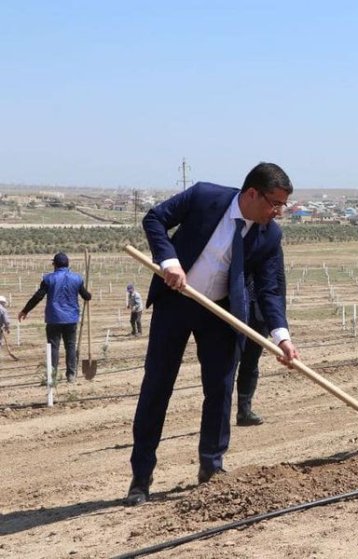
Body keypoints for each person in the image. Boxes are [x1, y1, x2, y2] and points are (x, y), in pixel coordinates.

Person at [125, 162, 300, 506]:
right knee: (157, 387)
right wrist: (169, 262)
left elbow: (269, 289)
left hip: (222, 313)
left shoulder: (270, 235)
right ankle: (141, 477)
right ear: (252, 193)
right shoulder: (205, 196)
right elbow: (154, 219)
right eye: (274, 203)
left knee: (220, 390)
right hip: (176, 302)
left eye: (282, 206)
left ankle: (211, 468)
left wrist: (281, 336)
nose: (278, 212)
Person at [18, 253, 92, 383]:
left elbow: (38, 297)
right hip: (71, 318)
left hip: (54, 318)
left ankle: (52, 376)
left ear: (54, 264)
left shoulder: (48, 279)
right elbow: (85, 296)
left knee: (53, 347)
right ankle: (71, 375)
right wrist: (89, 295)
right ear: (68, 264)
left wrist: (25, 310)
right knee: (70, 346)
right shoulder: (77, 279)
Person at [234, 276, 269, 427]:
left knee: (251, 363)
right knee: (228, 364)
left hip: (259, 314)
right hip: (235, 311)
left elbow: (278, 283)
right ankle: (217, 413)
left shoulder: (270, 253)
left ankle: (244, 411)